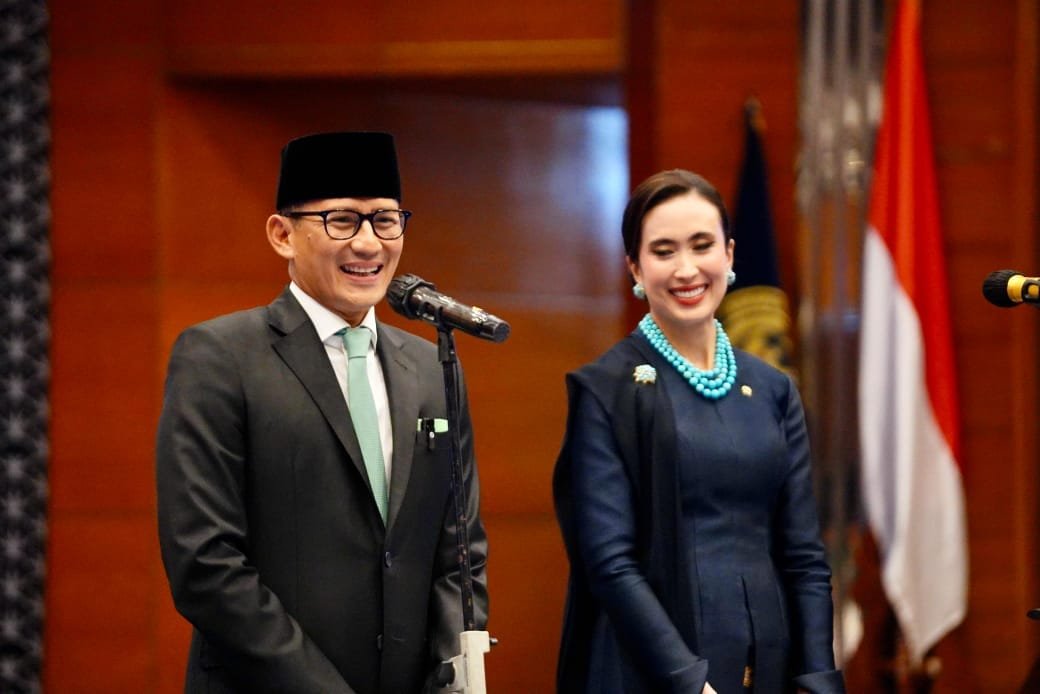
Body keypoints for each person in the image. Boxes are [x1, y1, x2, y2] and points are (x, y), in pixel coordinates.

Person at [156, 131, 488, 694]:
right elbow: (205, 563)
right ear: (282, 234)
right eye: (342, 221)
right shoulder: (220, 357)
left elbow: (461, 551)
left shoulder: (432, 367)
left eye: (385, 220)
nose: (369, 244)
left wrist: (446, 676)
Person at [553, 169, 844, 693]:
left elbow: (804, 554)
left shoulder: (774, 389)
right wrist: (688, 682)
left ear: (729, 255)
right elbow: (610, 564)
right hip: (653, 676)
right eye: (664, 251)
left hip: (770, 669)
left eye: (702, 245)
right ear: (635, 267)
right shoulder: (606, 390)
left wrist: (818, 677)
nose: (686, 269)